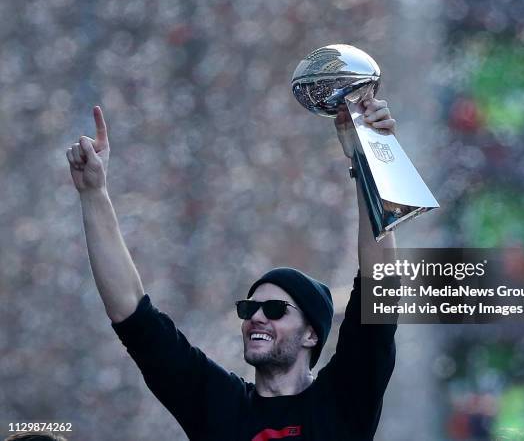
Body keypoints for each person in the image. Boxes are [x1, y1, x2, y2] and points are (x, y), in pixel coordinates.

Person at [66, 94, 398, 440]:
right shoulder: (219, 404)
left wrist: (368, 157)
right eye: (249, 308)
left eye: (274, 309)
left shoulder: (342, 399)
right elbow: (132, 316)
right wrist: (93, 193)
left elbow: (382, 286)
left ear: (311, 333)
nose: (256, 317)